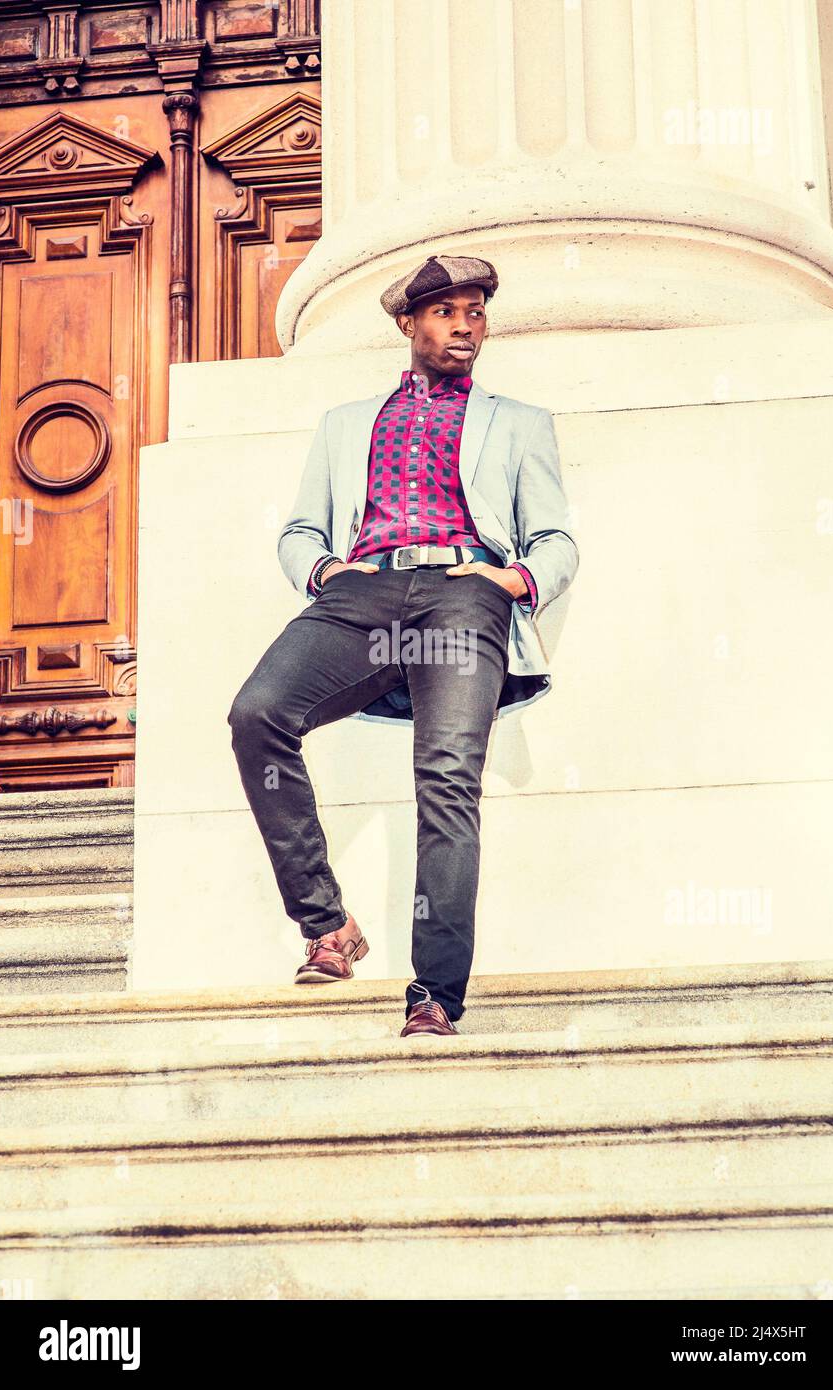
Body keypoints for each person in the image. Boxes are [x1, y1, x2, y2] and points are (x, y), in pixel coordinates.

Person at [227, 253, 579, 1036]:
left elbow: (556, 538)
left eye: (476, 312)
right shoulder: (347, 425)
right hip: (362, 590)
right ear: (408, 324)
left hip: (464, 594)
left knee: (446, 778)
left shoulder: (518, 422)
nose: (465, 325)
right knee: (258, 714)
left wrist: (511, 580)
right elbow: (299, 529)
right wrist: (324, 571)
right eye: (447, 312)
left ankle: (434, 996)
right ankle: (326, 925)